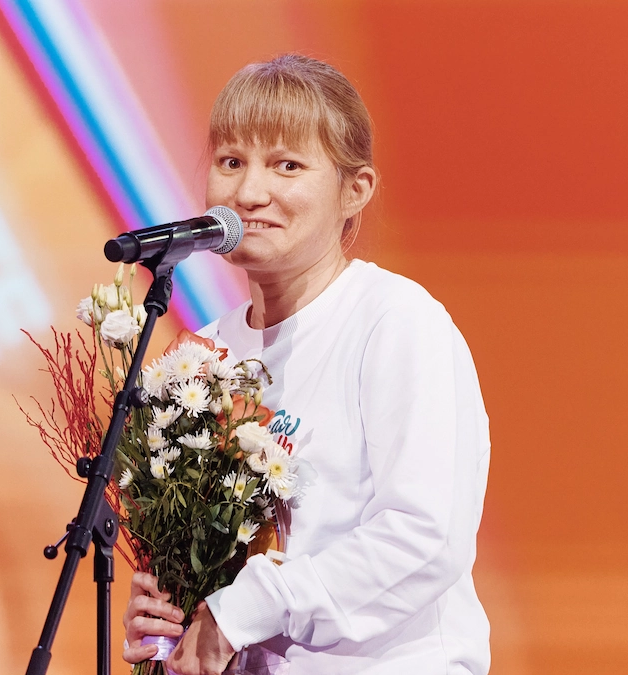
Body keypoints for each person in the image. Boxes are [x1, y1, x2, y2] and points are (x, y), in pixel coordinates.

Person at [122, 54, 491, 675]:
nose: (248, 193)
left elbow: (423, 537)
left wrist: (243, 611)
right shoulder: (198, 358)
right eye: (230, 162)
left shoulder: (395, 322)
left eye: (286, 165)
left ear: (355, 190)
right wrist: (168, 619)